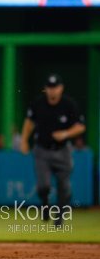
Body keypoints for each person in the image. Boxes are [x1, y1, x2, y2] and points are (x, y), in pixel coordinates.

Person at [20, 73, 85, 226]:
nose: (52, 90)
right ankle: (45, 203)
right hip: (42, 150)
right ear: (46, 89)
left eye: (55, 87)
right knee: (43, 186)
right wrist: (23, 140)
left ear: (61, 88)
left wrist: (66, 133)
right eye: (49, 87)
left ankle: (59, 217)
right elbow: (29, 122)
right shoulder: (38, 103)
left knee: (63, 186)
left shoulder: (69, 104)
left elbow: (81, 126)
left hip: (63, 151)